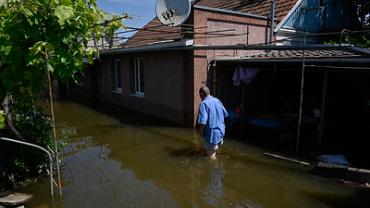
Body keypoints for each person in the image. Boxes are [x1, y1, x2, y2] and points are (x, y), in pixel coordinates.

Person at [197, 86, 228, 160]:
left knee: (211, 157)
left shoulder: (203, 104)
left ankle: (217, 168)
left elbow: (203, 122)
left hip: (212, 135)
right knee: (210, 150)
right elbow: (225, 114)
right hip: (221, 130)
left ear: (201, 94)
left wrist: (200, 133)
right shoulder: (217, 100)